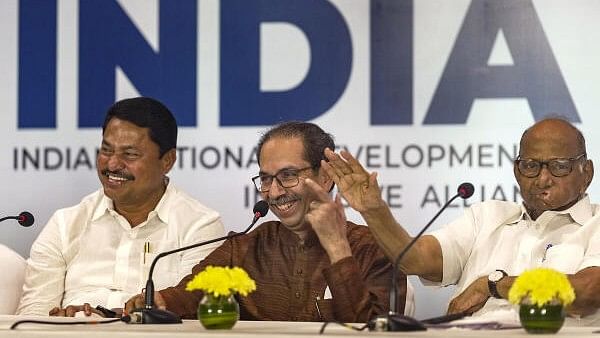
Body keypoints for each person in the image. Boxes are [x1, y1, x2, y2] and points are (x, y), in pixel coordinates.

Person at [125, 121, 409, 322]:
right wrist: (158, 302)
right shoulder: (247, 246)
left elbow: (373, 330)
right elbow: (190, 295)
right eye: (265, 179)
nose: (274, 192)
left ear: (326, 176)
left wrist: (337, 247)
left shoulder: (374, 247)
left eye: (288, 176)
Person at [323, 118, 600, 320]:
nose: (543, 178)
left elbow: (587, 293)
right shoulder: (487, 216)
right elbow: (413, 259)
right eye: (530, 166)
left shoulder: (595, 224)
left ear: (586, 173)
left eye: (559, 167)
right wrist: (373, 209)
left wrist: (494, 285)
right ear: (517, 171)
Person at [17, 97, 225, 316]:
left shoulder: (200, 227)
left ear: (168, 161)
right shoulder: (65, 224)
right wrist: (61, 323)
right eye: (106, 150)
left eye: (130, 154)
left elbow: (195, 313)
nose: (113, 164)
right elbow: (32, 316)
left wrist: (107, 318)